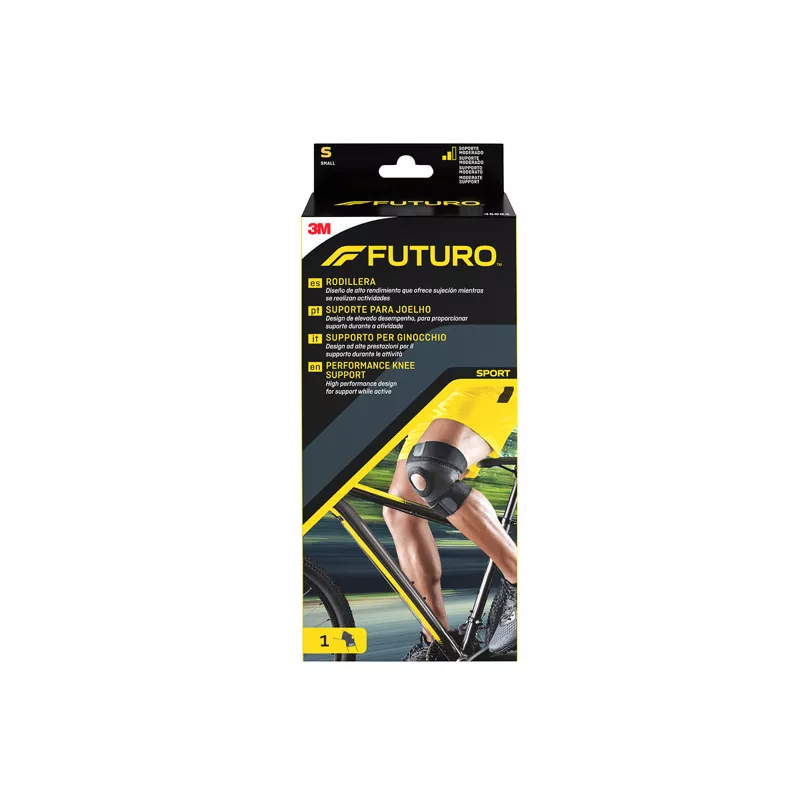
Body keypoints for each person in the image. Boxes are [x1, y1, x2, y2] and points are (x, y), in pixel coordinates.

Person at [381, 383, 518, 661]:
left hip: (487, 376)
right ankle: (439, 644)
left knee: (431, 471)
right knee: (401, 509)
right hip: (436, 390)